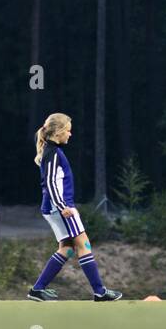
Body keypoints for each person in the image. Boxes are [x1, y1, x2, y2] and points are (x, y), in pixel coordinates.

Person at [28, 112, 122, 302]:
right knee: (84, 244)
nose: (70, 134)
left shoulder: (51, 151)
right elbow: (51, 183)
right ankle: (99, 291)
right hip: (60, 207)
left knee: (67, 248)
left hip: (52, 207)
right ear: (58, 132)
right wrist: (63, 206)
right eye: (68, 131)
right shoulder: (53, 153)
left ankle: (37, 289)